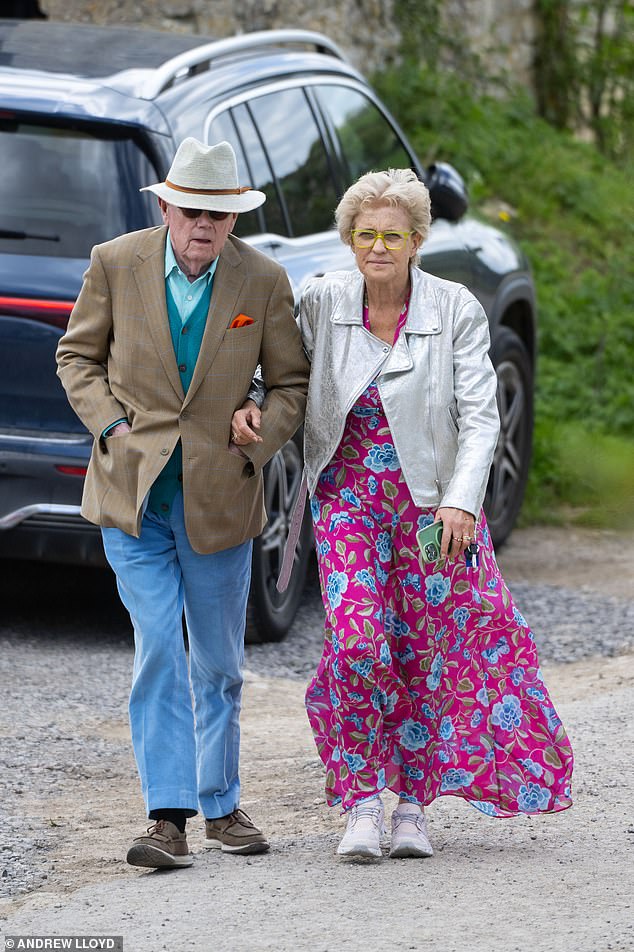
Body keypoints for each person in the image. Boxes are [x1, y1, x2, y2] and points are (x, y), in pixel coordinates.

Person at [233, 167, 573, 860]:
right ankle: (361, 800)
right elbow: (280, 370)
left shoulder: (454, 309)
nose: (378, 247)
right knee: (358, 642)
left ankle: (412, 807)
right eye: (366, 235)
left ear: (417, 240)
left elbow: (481, 419)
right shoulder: (323, 300)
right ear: (349, 239)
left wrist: (460, 502)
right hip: (348, 501)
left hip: (427, 510)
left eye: (393, 235)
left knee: (426, 656)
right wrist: (251, 399)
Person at [56, 138, 309, 869]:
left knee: (221, 665)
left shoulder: (262, 281)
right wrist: (110, 424)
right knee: (161, 648)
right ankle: (167, 818)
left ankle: (222, 805)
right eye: (191, 209)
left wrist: (259, 431)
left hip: (221, 501)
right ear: (166, 206)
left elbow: (290, 384)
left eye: (218, 213)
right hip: (133, 497)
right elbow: (76, 356)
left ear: (235, 220)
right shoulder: (116, 262)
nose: (203, 224)